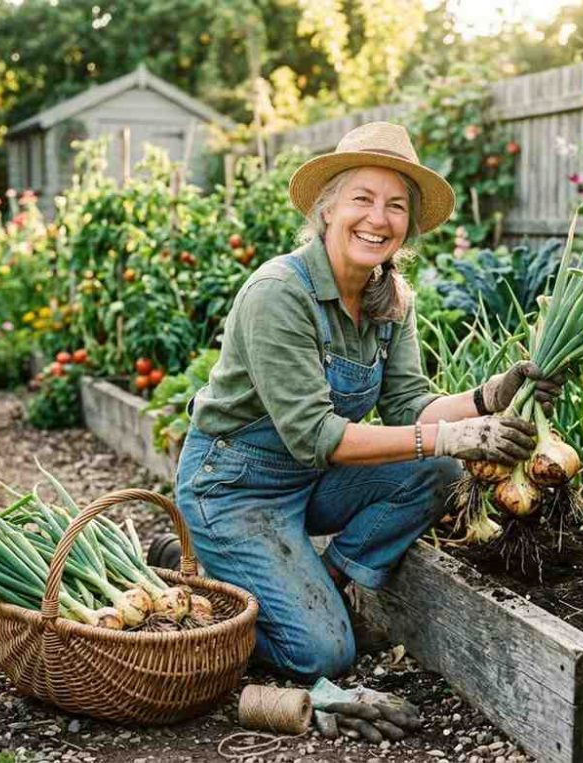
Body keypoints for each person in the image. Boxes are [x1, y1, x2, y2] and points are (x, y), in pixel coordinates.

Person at [174, 121, 561, 680]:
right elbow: (316, 436)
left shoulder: (391, 299)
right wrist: (453, 436)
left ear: (408, 224)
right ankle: (208, 585)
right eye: (362, 199)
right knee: (323, 655)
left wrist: (488, 397)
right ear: (328, 209)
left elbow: (409, 407)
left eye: (396, 206)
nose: (378, 219)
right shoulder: (279, 293)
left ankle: (327, 582)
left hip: (310, 482)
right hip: (236, 488)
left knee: (437, 471)